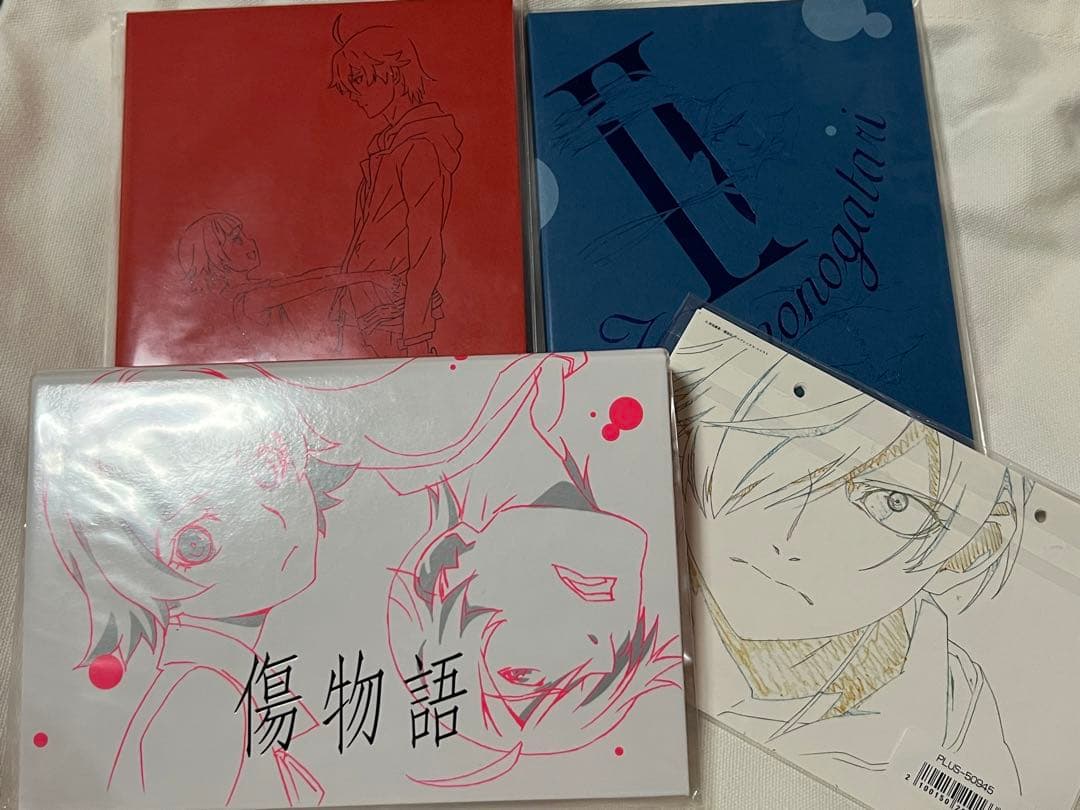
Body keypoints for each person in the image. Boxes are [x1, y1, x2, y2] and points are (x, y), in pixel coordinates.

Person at [674, 342, 1027, 798]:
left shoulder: (957, 713)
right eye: (771, 444)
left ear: (975, 548)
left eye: (894, 503)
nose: (789, 538)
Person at [328, 20, 463, 357]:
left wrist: (415, 330)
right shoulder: (387, 145)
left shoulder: (419, 146)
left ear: (393, 72)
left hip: (394, 317)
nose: (354, 94)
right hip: (364, 310)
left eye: (358, 79)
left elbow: (427, 242)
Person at [177, 212, 402, 354]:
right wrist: (372, 276)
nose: (250, 242)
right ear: (216, 256)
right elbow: (313, 284)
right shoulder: (247, 299)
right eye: (236, 239)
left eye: (244, 235)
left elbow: (305, 279)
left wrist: (358, 272)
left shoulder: (249, 290)